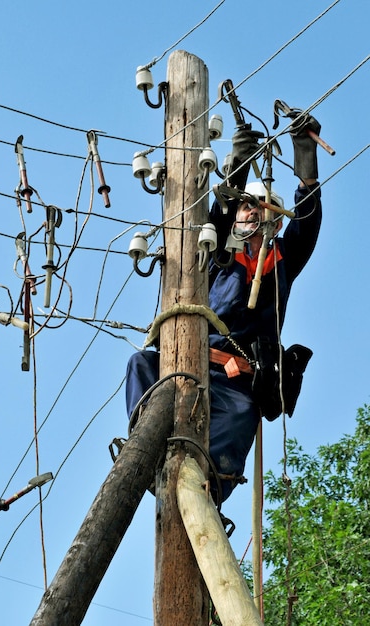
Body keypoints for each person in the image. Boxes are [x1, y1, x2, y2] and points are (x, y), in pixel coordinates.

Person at [125, 112, 322, 502]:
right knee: (140, 364)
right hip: (186, 361)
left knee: (240, 414)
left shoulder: (282, 258)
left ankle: (210, 488)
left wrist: (305, 162)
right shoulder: (215, 251)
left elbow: (309, 223)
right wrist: (238, 164)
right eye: (247, 206)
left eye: (261, 207)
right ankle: (143, 450)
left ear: (277, 220)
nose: (252, 212)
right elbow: (220, 211)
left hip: (237, 379)